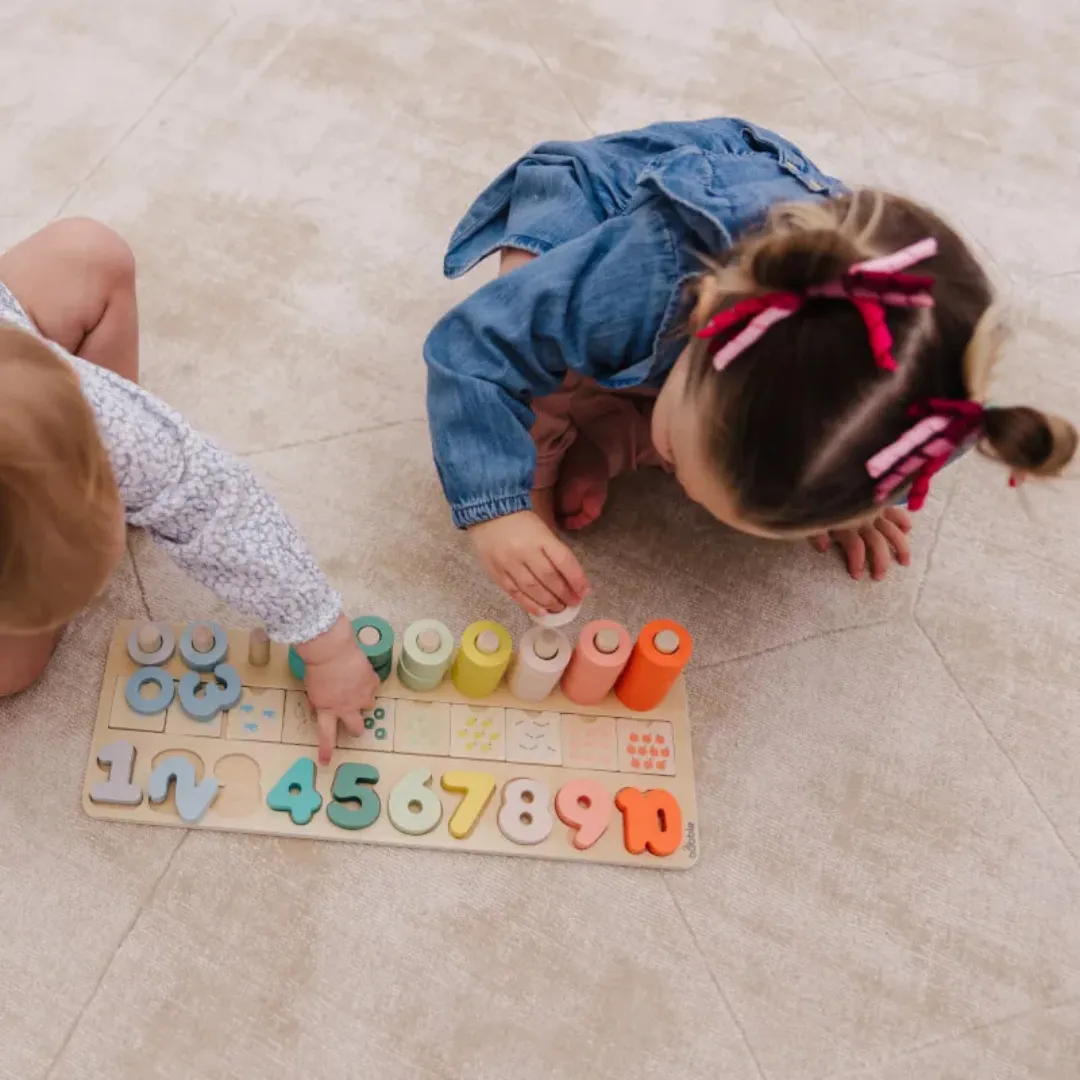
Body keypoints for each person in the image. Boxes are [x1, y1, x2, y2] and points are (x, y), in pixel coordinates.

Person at [423, 119, 1076, 615]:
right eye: (674, 461)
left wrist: (858, 490)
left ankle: (612, 438)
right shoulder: (643, 273)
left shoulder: (930, 408)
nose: (678, 483)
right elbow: (475, 350)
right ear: (706, 324)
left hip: (719, 338)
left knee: (757, 445)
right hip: (607, 209)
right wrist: (496, 510)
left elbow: (871, 424)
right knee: (533, 319)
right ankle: (568, 432)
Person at [0, 218, 376, 763]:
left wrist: (329, 645)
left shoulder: (106, 423)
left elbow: (221, 506)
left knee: (89, 253)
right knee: (13, 669)